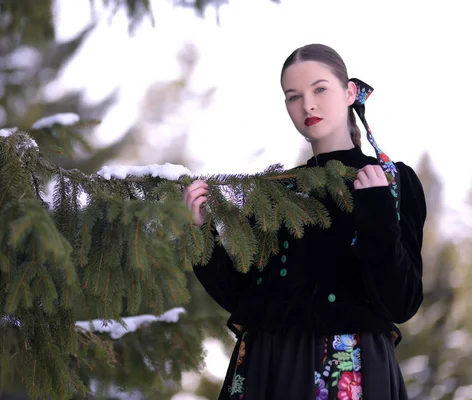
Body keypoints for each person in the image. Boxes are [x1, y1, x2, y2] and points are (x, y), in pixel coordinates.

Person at [183, 43, 427, 399]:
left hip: (349, 367)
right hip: (267, 366)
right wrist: (203, 232)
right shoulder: (275, 190)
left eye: (319, 89)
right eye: (292, 96)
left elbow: (402, 302)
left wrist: (377, 216)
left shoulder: (392, 181)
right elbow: (242, 295)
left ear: (349, 92)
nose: (307, 105)